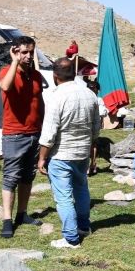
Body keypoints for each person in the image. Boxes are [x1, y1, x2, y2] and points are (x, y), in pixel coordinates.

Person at [37, 57, 99, 249]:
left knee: (63, 196)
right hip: (82, 153)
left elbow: (49, 132)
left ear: (55, 76)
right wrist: (92, 154)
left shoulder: (56, 97)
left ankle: (71, 238)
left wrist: (41, 158)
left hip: (61, 154)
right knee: (81, 190)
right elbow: (96, 129)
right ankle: (83, 227)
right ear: (74, 73)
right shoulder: (90, 94)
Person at [0, 36, 46, 239]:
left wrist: (44, 127)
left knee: (28, 176)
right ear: (15, 51)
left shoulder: (35, 75)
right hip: (14, 134)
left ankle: (22, 214)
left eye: (30, 52)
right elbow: (5, 87)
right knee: (11, 177)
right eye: (23, 52)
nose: (28, 56)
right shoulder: (6, 71)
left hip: (34, 133)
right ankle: (7, 220)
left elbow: (39, 100)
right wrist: (14, 62)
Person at [86, 81, 108, 175]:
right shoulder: (97, 99)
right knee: (92, 143)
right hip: (91, 123)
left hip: (89, 124)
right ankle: (92, 164)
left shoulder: (95, 99)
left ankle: (90, 164)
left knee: (90, 143)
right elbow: (103, 112)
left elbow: (103, 112)